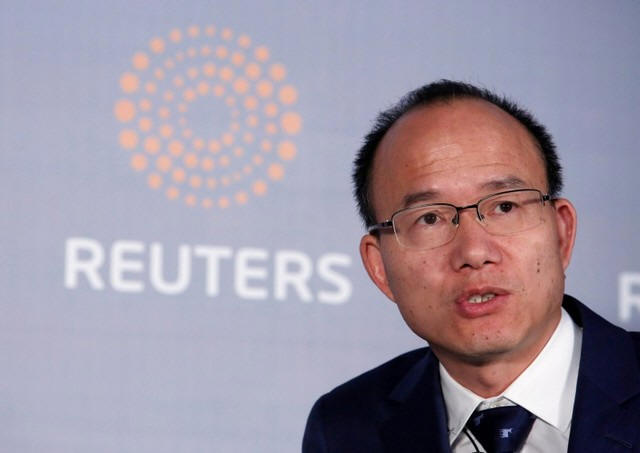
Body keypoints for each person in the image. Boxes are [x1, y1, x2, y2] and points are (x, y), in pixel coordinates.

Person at [302, 80, 640, 452]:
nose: (475, 252)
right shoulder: (345, 429)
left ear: (562, 234)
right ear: (379, 266)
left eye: (504, 207)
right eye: (430, 218)